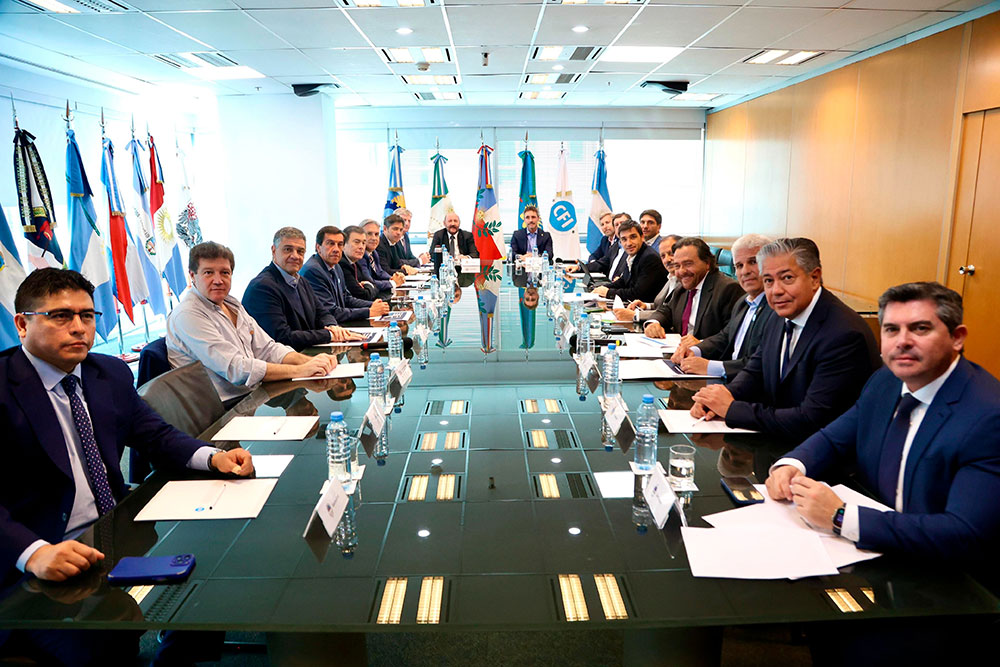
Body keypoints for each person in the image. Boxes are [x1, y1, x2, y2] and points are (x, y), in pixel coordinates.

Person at [0, 268, 254, 663]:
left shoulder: (109, 373)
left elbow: (155, 434)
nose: (79, 327)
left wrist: (212, 456)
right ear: (22, 324)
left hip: (115, 535)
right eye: (61, 316)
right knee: (104, 641)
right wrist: (32, 553)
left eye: (87, 315)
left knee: (210, 582)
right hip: (37, 563)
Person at [765, 282, 999, 663]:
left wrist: (841, 516)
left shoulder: (988, 415)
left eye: (920, 329)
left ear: (957, 338)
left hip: (945, 586)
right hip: (877, 557)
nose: (902, 342)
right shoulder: (886, 381)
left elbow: (964, 534)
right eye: (891, 329)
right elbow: (835, 437)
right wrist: (792, 464)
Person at [691, 237, 880, 442]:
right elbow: (756, 370)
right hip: (780, 439)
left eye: (787, 278)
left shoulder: (843, 334)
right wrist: (719, 397)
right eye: (768, 281)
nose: (776, 291)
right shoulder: (779, 314)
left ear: (814, 278)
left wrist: (732, 409)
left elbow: (812, 419)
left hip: (823, 451)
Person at [167, 242, 339, 403]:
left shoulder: (231, 303)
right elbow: (236, 368)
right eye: (208, 273)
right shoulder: (187, 315)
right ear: (192, 275)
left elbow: (268, 348)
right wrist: (301, 371)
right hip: (220, 410)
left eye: (225, 273)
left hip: (251, 395)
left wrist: (309, 362)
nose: (218, 280)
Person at [671, 233, 775, 379]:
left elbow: (762, 364)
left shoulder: (777, 309)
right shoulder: (744, 302)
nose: (745, 271)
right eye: (739, 265)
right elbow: (725, 337)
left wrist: (710, 367)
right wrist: (695, 350)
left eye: (753, 262)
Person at [243, 227, 361, 351]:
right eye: (288, 249)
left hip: (304, 354)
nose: (295, 256)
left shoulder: (300, 281)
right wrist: (330, 335)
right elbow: (283, 337)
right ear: (273, 250)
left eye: (300, 251)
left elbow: (322, 312)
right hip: (281, 359)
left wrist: (332, 327)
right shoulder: (262, 287)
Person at [643, 237, 744, 341]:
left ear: (707, 263)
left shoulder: (728, 289)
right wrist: (653, 323)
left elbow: (731, 335)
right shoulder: (683, 287)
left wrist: (700, 344)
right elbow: (666, 311)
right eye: (677, 266)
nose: (681, 271)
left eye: (688, 264)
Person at [301, 225, 390, 323]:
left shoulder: (336, 266)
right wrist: (369, 312)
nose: (336, 249)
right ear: (318, 247)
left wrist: (373, 305)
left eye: (340, 244)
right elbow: (330, 312)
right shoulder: (313, 270)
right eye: (331, 243)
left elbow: (346, 298)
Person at [591, 220, 668, 303]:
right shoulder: (633, 255)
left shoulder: (649, 257)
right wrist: (602, 288)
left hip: (647, 307)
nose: (629, 243)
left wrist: (608, 292)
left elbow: (637, 294)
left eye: (633, 237)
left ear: (642, 237)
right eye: (624, 239)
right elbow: (623, 281)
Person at [612, 234, 681, 323]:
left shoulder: (685, 282)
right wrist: (646, 306)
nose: (667, 260)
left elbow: (671, 314)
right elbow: (664, 307)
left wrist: (636, 315)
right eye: (663, 256)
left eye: (671, 254)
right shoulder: (671, 277)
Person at [361, 218, 404, 295]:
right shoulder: (360, 256)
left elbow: (380, 272)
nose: (374, 238)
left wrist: (391, 278)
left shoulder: (373, 253)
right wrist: (393, 282)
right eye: (369, 234)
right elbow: (370, 282)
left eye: (376, 234)